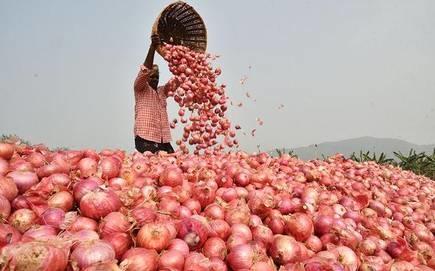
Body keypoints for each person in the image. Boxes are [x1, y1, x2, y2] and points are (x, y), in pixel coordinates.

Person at [133, 34, 177, 154]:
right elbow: (145, 70)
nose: (155, 79)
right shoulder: (140, 88)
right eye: (152, 76)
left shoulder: (162, 91)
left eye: (157, 77)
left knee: (173, 165)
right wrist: (152, 47)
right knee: (150, 168)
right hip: (145, 138)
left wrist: (185, 64)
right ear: (147, 78)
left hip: (163, 139)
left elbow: (178, 81)